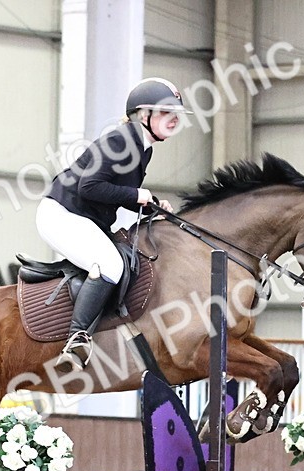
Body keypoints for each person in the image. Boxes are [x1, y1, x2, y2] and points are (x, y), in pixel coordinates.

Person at [38, 77, 190, 370]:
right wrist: (137, 195)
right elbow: (89, 187)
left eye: (176, 114)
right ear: (143, 115)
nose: (174, 120)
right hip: (62, 214)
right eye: (165, 112)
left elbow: (116, 193)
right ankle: (77, 339)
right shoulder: (120, 141)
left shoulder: (143, 148)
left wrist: (151, 205)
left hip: (83, 217)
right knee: (110, 265)